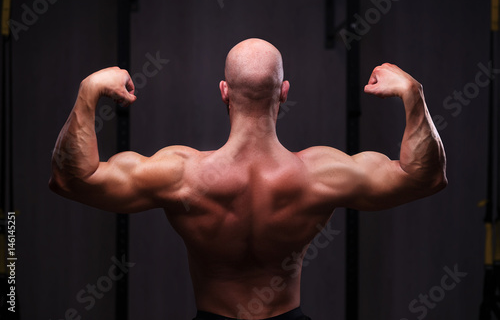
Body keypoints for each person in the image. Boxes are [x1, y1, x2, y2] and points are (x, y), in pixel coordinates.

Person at [49, 38, 447, 320]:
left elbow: (72, 179)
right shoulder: (321, 175)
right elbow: (423, 177)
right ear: (284, 93)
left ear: (224, 92)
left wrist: (88, 92)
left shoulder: (181, 175)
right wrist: (414, 95)